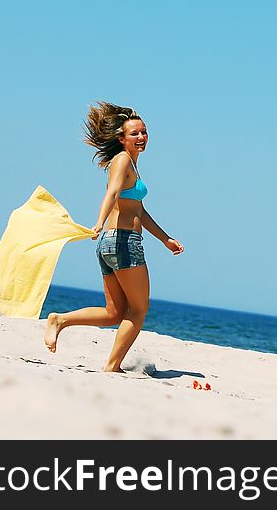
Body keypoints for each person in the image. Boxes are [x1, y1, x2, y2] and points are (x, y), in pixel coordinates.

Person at [44, 102, 184, 372]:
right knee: (139, 309)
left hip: (110, 243)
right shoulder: (122, 160)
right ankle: (112, 366)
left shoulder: (131, 163)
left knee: (114, 313)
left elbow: (138, 210)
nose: (141, 137)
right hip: (123, 243)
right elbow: (112, 194)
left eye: (144, 132)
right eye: (135, 134)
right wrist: (97, 222)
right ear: (122, 138)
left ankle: (59, 320)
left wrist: (165, 239)